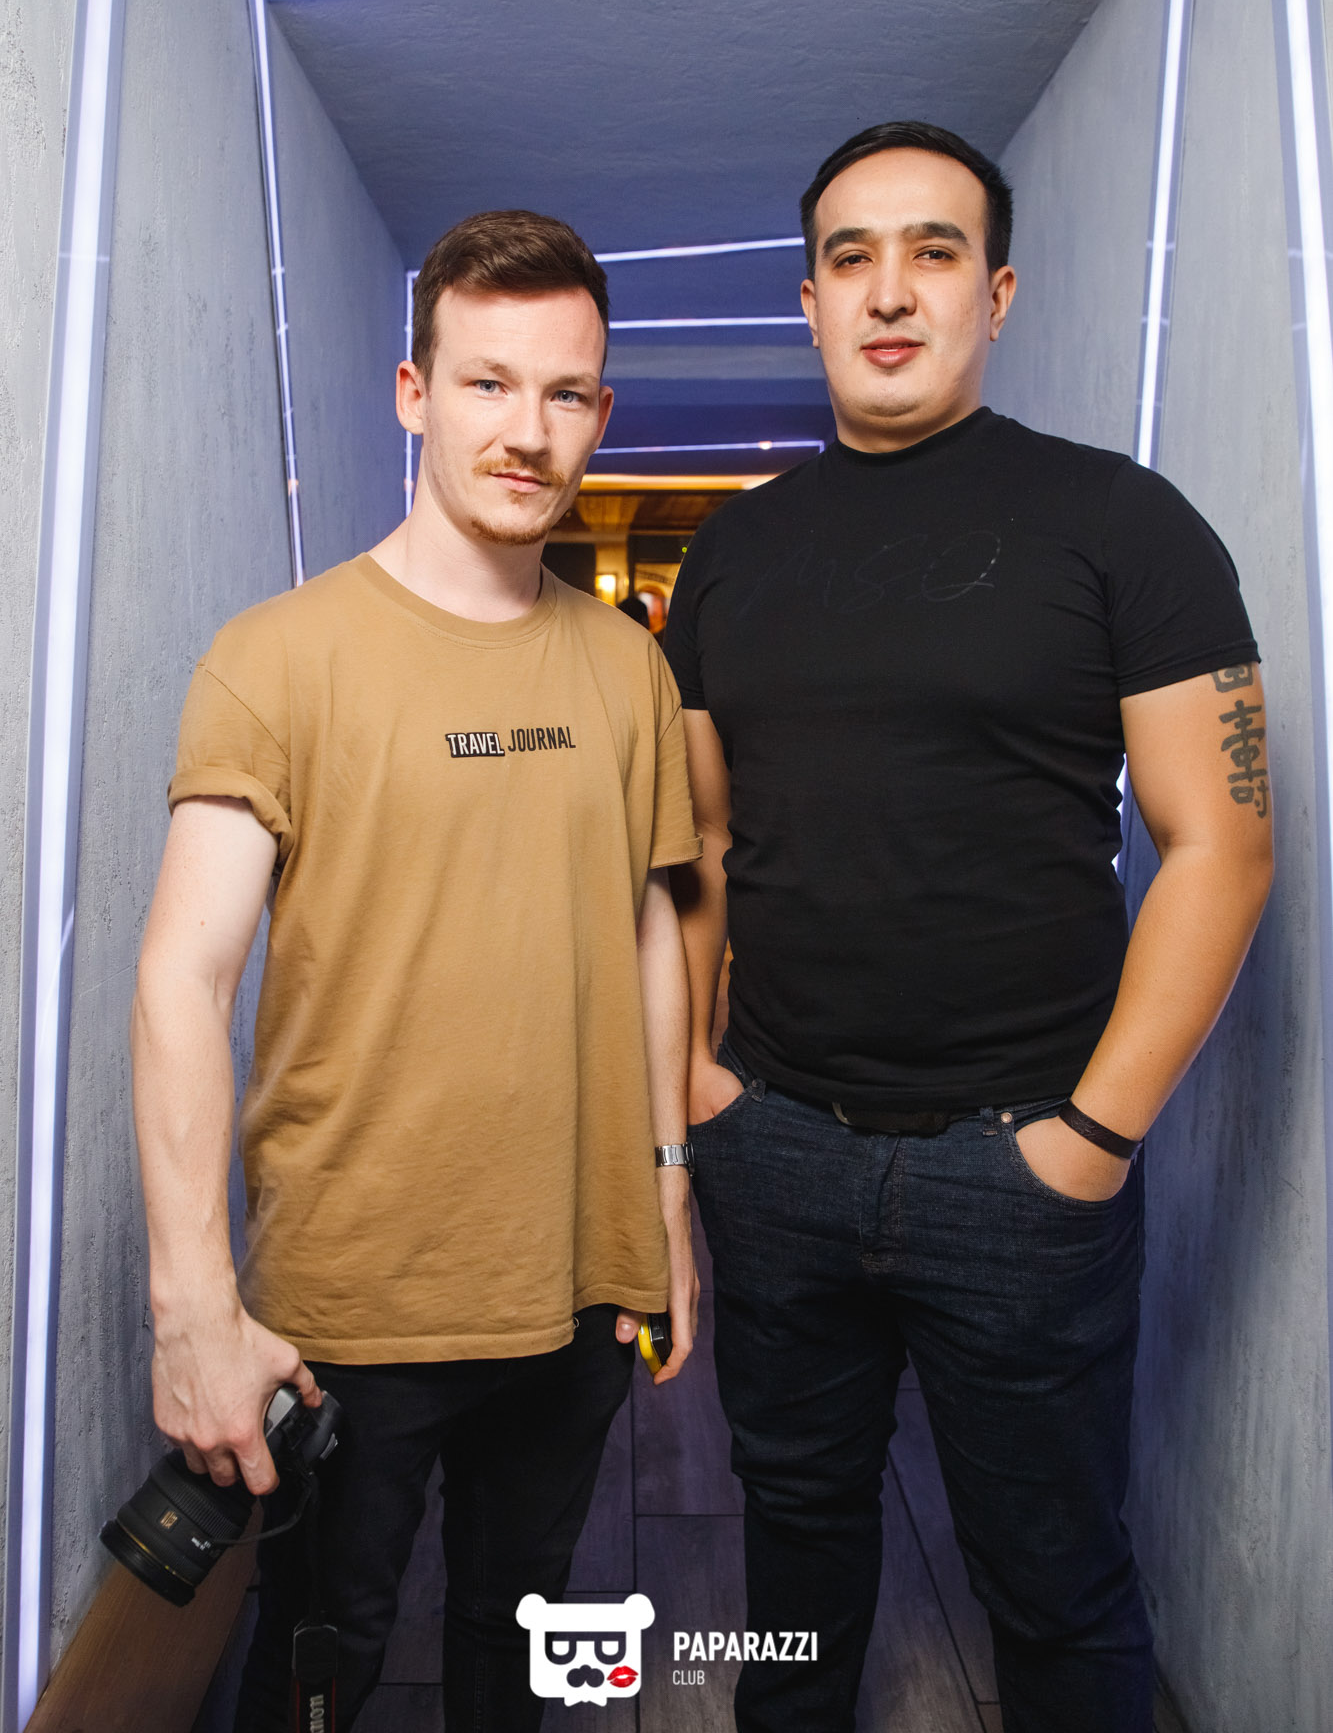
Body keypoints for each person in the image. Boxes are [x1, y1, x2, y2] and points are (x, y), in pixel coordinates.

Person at [663, 121, 1273, 1733]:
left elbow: (1219, 842)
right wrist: (701, 1092)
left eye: (931, 252)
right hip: (774, 1146)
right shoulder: (730, 553)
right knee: (795, 1539)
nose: (889, 291)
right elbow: (700, 840)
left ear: (993, 294)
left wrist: (1094, 1135)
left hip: (1021, 1165)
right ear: (809, 302)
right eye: (850, 257)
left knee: (1054, 1581)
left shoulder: (1121, 524)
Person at [131, 209, 701, 1731]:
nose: (527, 430)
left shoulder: (626, 668)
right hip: (350, 1309)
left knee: (518, 1640)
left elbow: (647, 928)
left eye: (564, 392)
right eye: (486, 383)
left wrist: (666, 1196)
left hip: (576, 1288)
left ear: (600, 414)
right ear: (413, 393)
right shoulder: (277, 656)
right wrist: (193, 1312)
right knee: (320, 1661)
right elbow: (182, 978)